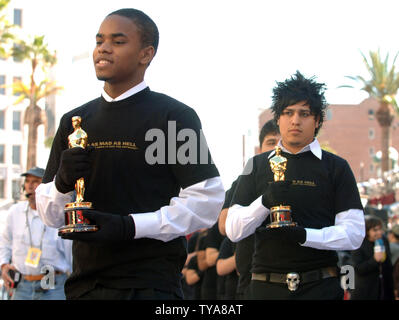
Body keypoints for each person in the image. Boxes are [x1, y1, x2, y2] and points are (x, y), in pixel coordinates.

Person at [35, 8, 224, 300]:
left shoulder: (173, 117)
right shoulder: (74, 122)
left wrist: (130, 226)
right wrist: (61, 183)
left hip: (150, 285)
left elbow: (207, 201)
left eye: (118, 41)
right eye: (99, 41)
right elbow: (51, 217)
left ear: (145, 54)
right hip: (83, 286)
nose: (103, 48)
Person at [225, 71, 365, 300]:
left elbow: (354, 233)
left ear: (317, 119)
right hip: (266, 287)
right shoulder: (256, 165)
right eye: (288, 113)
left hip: (321, 286)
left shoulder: (336, 167)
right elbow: (233, 229)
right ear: (278, 118)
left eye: (304, 113)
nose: (295, 120)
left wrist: (305, 235)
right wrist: (264, 203)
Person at [218, 119, 280, 299]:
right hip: (251, 278)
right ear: (260, 149)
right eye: (270, 142)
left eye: (280, 143)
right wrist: (262, 204)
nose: (276, 148)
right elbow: (223, 226)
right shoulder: (243, 181)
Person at [0, 167, 72, 300]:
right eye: (27, 181)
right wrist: (4, 264)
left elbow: (70, 252)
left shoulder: (58, 216)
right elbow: (5, 242)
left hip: (53, 286)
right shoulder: (15, 212)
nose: (30, 186)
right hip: (22, 286)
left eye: (35, 181)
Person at [351, 215, 394, 300]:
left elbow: (388, 264)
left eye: (380, 229)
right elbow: (359, 269)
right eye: (375, 230)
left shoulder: (383, 240)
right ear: (367, 231)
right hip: (366, 290)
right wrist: (374, 260)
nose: (379, 232)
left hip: (384, 288)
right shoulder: (359, 244)